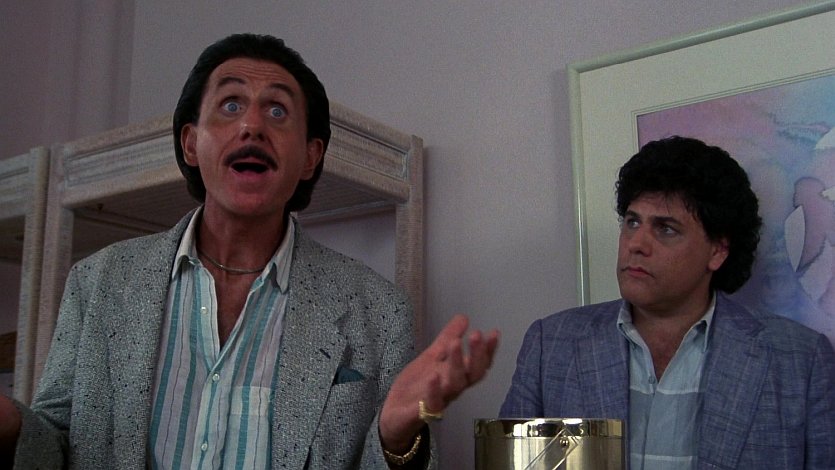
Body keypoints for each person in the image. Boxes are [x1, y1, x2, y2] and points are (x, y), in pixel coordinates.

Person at [0, 33, 498, 469]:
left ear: (310, 156)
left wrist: (395, 441)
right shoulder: (99, 282)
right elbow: (55, 447)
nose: (253, 126)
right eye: (231, 105)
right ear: (191, 143)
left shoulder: (379, 311)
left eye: (278, 110)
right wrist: (8, 425)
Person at [500, 136, 835, 469]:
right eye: (632, 222)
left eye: (666, 229)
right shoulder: (550, 346)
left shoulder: (800, 361)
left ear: (717, 251)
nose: (636, 243)